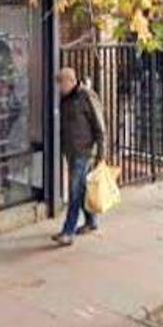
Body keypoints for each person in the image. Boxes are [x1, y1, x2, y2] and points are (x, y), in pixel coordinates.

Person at [52, 67, 107, 246]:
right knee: (81, 189)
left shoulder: (86, 97)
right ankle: (91, 221)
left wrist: (101, 155)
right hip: (71, 151)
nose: (59, 88)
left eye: (61, 84)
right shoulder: (66, 99)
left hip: (84, 152)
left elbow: (100, 127)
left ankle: (68, 231)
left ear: (71, 81)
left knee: (74, 191)